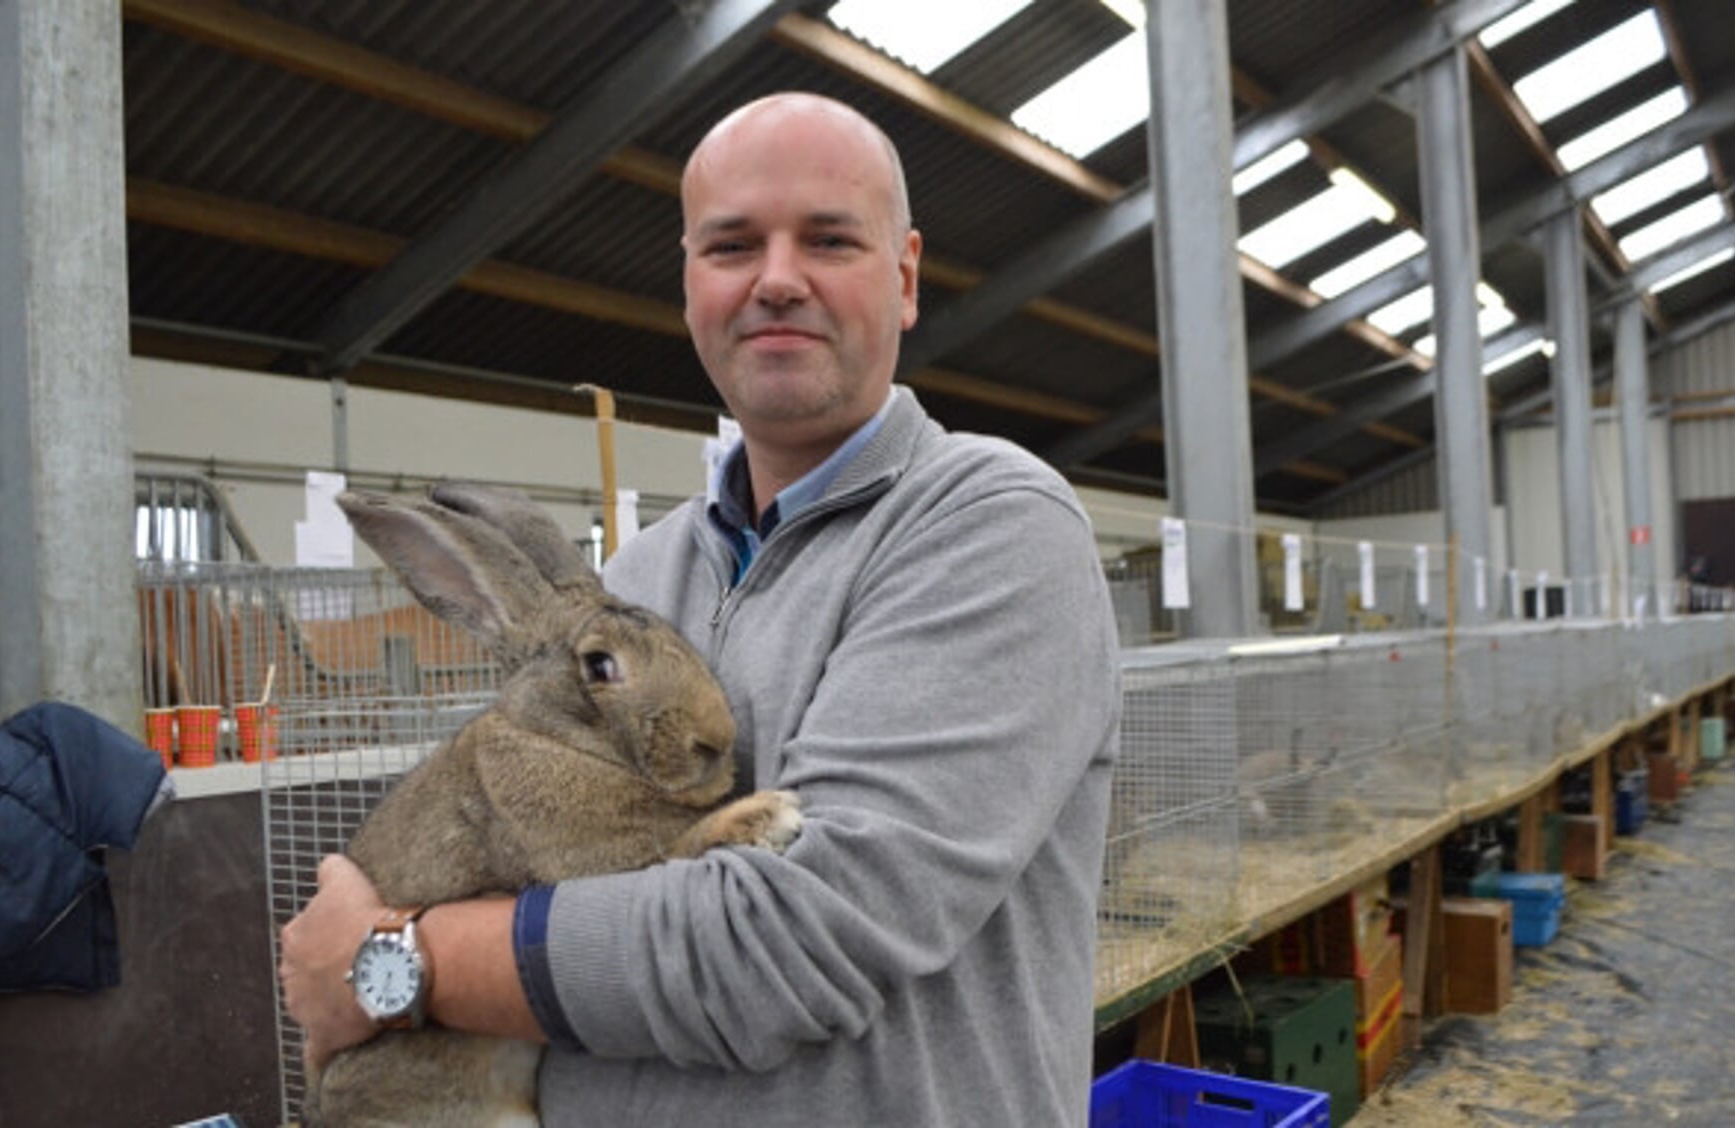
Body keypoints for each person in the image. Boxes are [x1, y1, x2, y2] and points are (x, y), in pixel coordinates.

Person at [278, 92, 1121, 1126]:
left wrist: (389, 958)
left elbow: (792, 946)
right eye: (731, 246)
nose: (775, 279)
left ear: (901, 279)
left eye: (826, 239)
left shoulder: (989, 523)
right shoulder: (639, 574)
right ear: (690, 288)